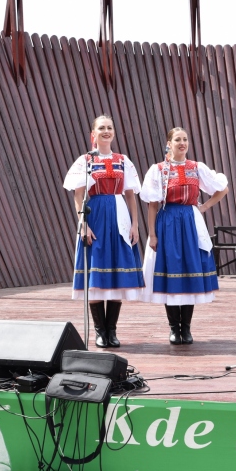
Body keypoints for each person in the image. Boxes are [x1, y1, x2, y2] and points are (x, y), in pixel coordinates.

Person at [140, 127, 229, 345]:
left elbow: (223, 188)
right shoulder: (159, 169)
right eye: (177, 139)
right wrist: (152, 234)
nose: (182, 143)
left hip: (190, 220)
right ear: (168, 143)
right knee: (171, 272)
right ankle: (173, 328)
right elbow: (152, 205)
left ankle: (186, 328)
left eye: (185, 139)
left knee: (189, 270)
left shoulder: (196, 168)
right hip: (167, 221)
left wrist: (205, 206)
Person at [63, 114, 145, 348]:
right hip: (96, 216)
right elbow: (78, 195)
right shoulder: (86, 160)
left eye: (109, 127)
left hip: (119, 216)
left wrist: (135, 224)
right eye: (102, 128)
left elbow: (130, 194)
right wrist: (83, 225)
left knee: (117, 274)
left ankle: (112, 331)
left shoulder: (122, 161)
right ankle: (100, 332)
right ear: (94, 134)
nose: (106, 131)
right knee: (96, 276)